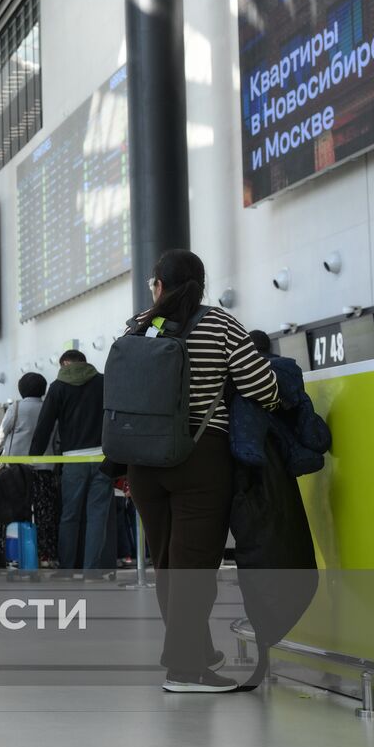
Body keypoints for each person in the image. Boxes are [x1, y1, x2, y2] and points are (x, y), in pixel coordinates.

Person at [122, 249, 279, 692]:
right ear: (201, 284)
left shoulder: (140, 326)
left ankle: (195, 650)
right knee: (194, 568)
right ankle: (185, 670)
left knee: (170, 564)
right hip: (199, 457)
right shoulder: (220, 324)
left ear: (157, 285)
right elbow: (261, 386)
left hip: (143, 462)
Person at [30, 349, 111, 578]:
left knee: (70, 515)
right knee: (97, 516)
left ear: (65, 363)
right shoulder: (103, 382)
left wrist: (33, 455)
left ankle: (66, 569)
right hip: (101, 458)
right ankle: (92, 570)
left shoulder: (58, 386)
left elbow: (45, 424)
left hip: (72, 459)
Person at [0, 372, 58, 565]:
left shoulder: (16, 407)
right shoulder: (49, 407)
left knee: (15, 510)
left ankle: (15, 554)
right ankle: (45, 554)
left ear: (21, 389)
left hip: (17, 472)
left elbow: (2, 433)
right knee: (44, 512)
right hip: (44, 469)